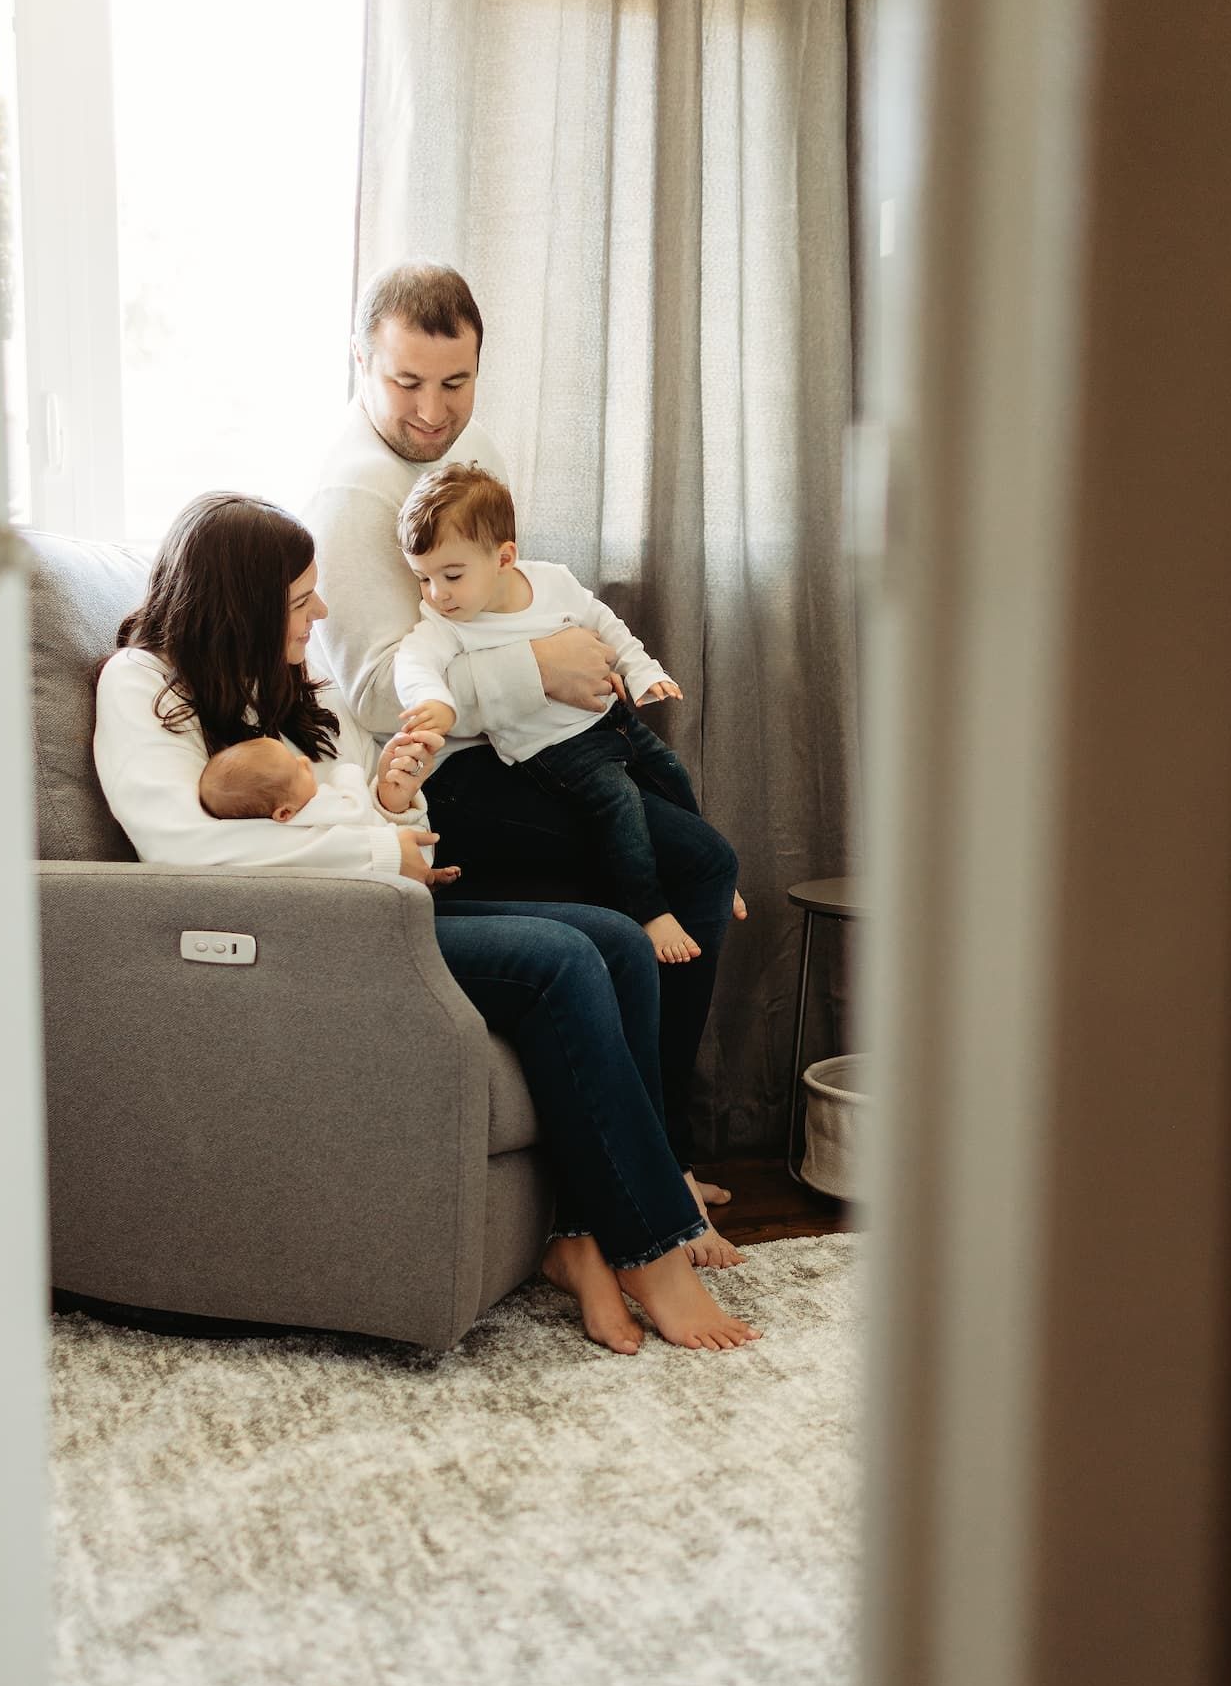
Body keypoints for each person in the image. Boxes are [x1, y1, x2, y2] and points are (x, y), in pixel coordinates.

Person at [93, 492, 761, 1355]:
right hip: (301, 934)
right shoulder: (142, 684)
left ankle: (586, 1238)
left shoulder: (285, 679)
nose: (321, 613)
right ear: (240, 606)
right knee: (558, 961)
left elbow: (362, 796)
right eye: (301, 601)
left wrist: (394, 799)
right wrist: (381, 854)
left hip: (384, 898)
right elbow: (178, 848)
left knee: (618, 939)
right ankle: (653, 1253)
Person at [303, 259, 744, 1263]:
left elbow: (501, 595)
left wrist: (559, 651)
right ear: (362, 363)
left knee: (705, 860)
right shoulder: (351, 497)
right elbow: (384, 693)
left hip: (516, 750)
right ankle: (653, 1168)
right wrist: (541, 666)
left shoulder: (470, 446)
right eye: (406, 382)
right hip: (437, 785)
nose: (431, 411)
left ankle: (665, 1146)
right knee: (689, 866)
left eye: (454, 383)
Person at [393, 461, 734, 968]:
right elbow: (413, 663)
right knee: (620, 804)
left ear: (504, 557)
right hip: (552, 750)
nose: (436, 593)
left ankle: (718, 883)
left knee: (669, 770)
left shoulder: (552, 580)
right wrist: (436, 703)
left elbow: (606, 623)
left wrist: (642, 671)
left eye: (452, 575)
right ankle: (650, 910)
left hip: (605, 714)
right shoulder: (446, 625)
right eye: (422, 578)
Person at [198, 732, 430, 853]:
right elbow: (357, 811)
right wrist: (345, 774)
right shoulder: (316, 813)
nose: (304, 761)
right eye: (296, 769)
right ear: (284, 813)